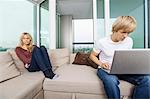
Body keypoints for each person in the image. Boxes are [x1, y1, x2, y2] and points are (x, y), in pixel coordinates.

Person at [90, 16, 150, 99]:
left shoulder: (129, 41)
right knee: (111, 81)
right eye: (123, 32)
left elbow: (127, 56)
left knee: (147, 79)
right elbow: (92, 56)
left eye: (128, 33)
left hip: (123, 70)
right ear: (115, 29)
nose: (125, 36)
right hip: (106, 70)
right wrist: (101, 63)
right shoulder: (102, 42)